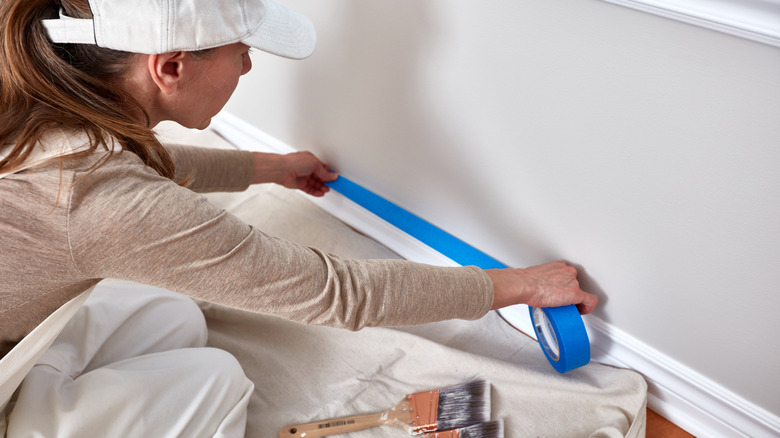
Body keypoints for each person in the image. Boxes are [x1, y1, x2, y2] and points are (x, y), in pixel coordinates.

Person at [0, 0, 598, 436]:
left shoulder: (44, 100)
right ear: (171, 67)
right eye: (243, 52)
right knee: (216, 378)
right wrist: (520, 285)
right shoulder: (94, 199)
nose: (249, 68)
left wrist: (269, 167)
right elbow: (334, 293)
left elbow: (138, 166)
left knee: (171, 313)